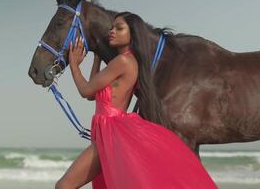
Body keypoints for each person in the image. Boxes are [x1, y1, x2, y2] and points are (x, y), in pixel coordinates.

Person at [55, 12, 218, 189]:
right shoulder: (129, 61)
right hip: (109, 131)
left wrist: (73, 64)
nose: (112, 31)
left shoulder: (123, 61)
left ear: (132, 34)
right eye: (112, 28)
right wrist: (97, 58)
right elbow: (92, 94)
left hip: (111, 132)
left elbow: (84, 89)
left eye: (119, 28)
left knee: (64, 186)